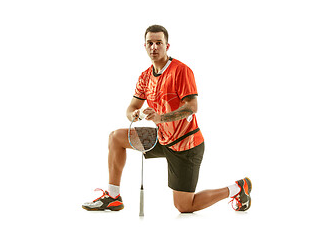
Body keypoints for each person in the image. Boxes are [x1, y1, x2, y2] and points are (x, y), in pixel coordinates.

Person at [82, 25, 252, 213]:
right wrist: (134, 115)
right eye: (150, 43)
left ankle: (238, 188)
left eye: (158, 43)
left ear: (167, 46)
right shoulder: (145, 77)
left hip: (185, 145)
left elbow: (192, 108)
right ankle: (113, 197)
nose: (154, 47)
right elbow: (132, 107)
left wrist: (161, 118)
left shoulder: (181, 71)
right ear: (144, 46)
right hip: (162, 138)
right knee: (116, 137)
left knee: (185, 206)